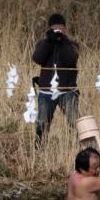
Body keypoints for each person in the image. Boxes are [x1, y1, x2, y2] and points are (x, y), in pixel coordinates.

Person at [31, 13, 80, 143]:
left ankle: (80, 147)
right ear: (49, 28)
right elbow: (38, 58)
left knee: (75, 122)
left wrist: (62, 41)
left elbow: (71, 60)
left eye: (60, 28)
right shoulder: (43, 43)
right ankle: (39, 148)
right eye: (55, 28)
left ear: (65, 29)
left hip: (67, 90)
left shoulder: (72, 44)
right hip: (46, 91)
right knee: (42, 122)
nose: (58, 31)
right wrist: (49, 41)